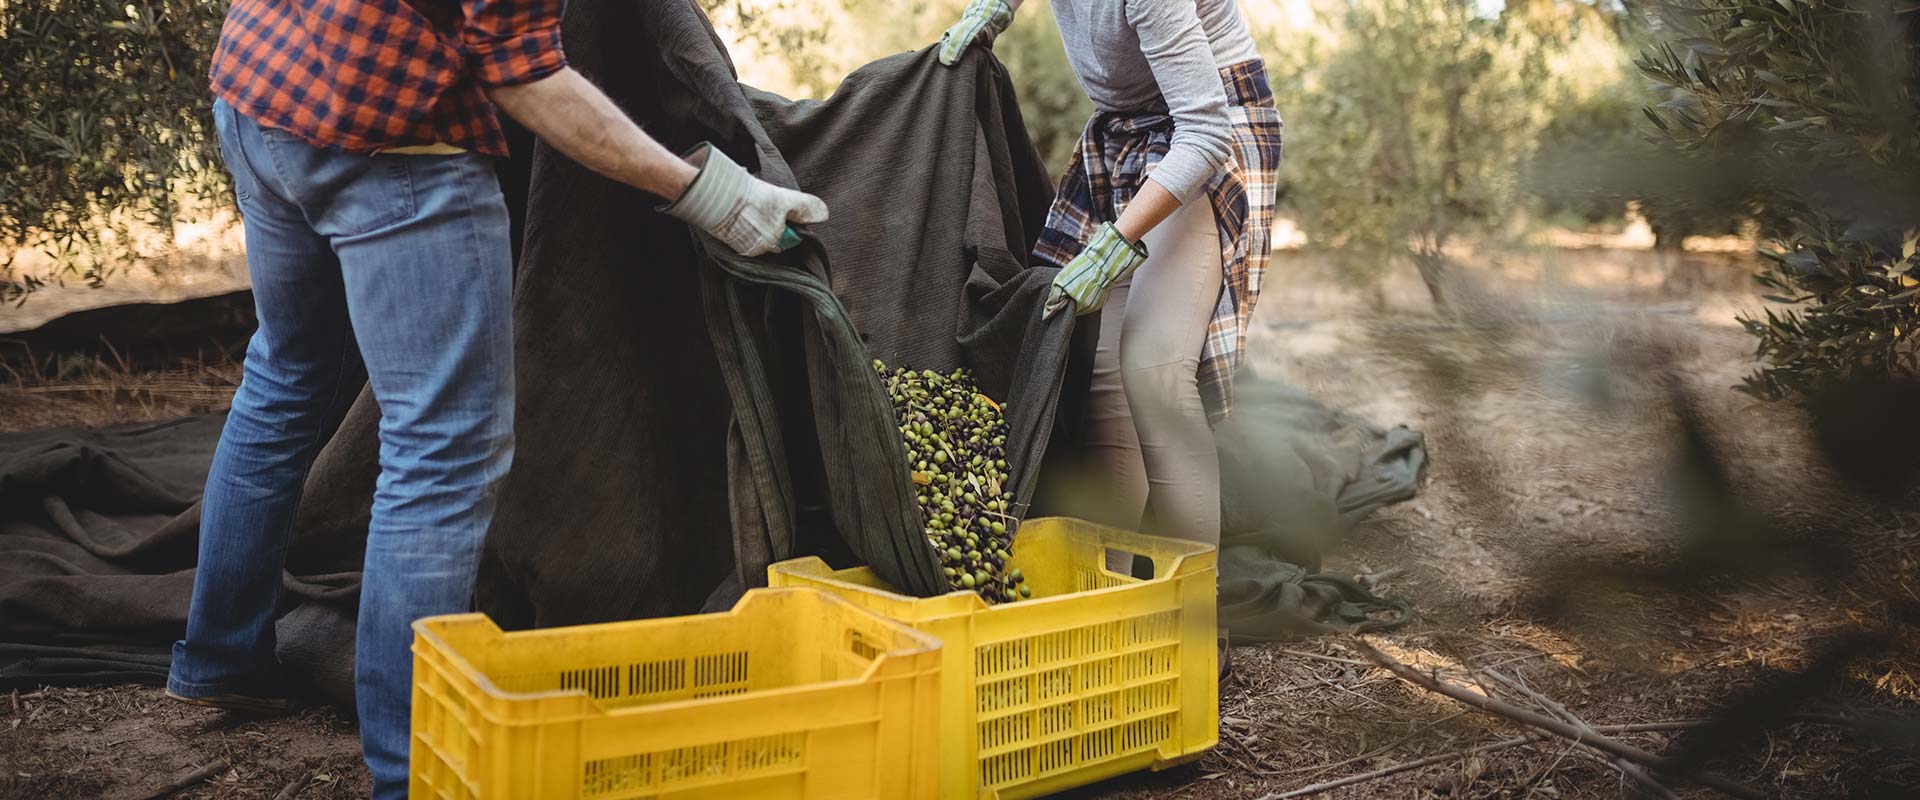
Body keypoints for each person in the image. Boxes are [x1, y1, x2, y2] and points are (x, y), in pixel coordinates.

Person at [162, 0, 826, 794]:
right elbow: (526, 78)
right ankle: (411, 772)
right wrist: (711, 193)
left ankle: (221, 657)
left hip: (261, 90)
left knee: (286, 378)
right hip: (393, 147)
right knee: (439, 454)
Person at [939, 0, 1283, 549]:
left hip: (1203, 128)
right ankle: (1107, 585)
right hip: (1127, 131)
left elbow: (1205, 132)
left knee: (1153, 368)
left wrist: (1114, 245)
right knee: (1106, 382)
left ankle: (1195, 593)